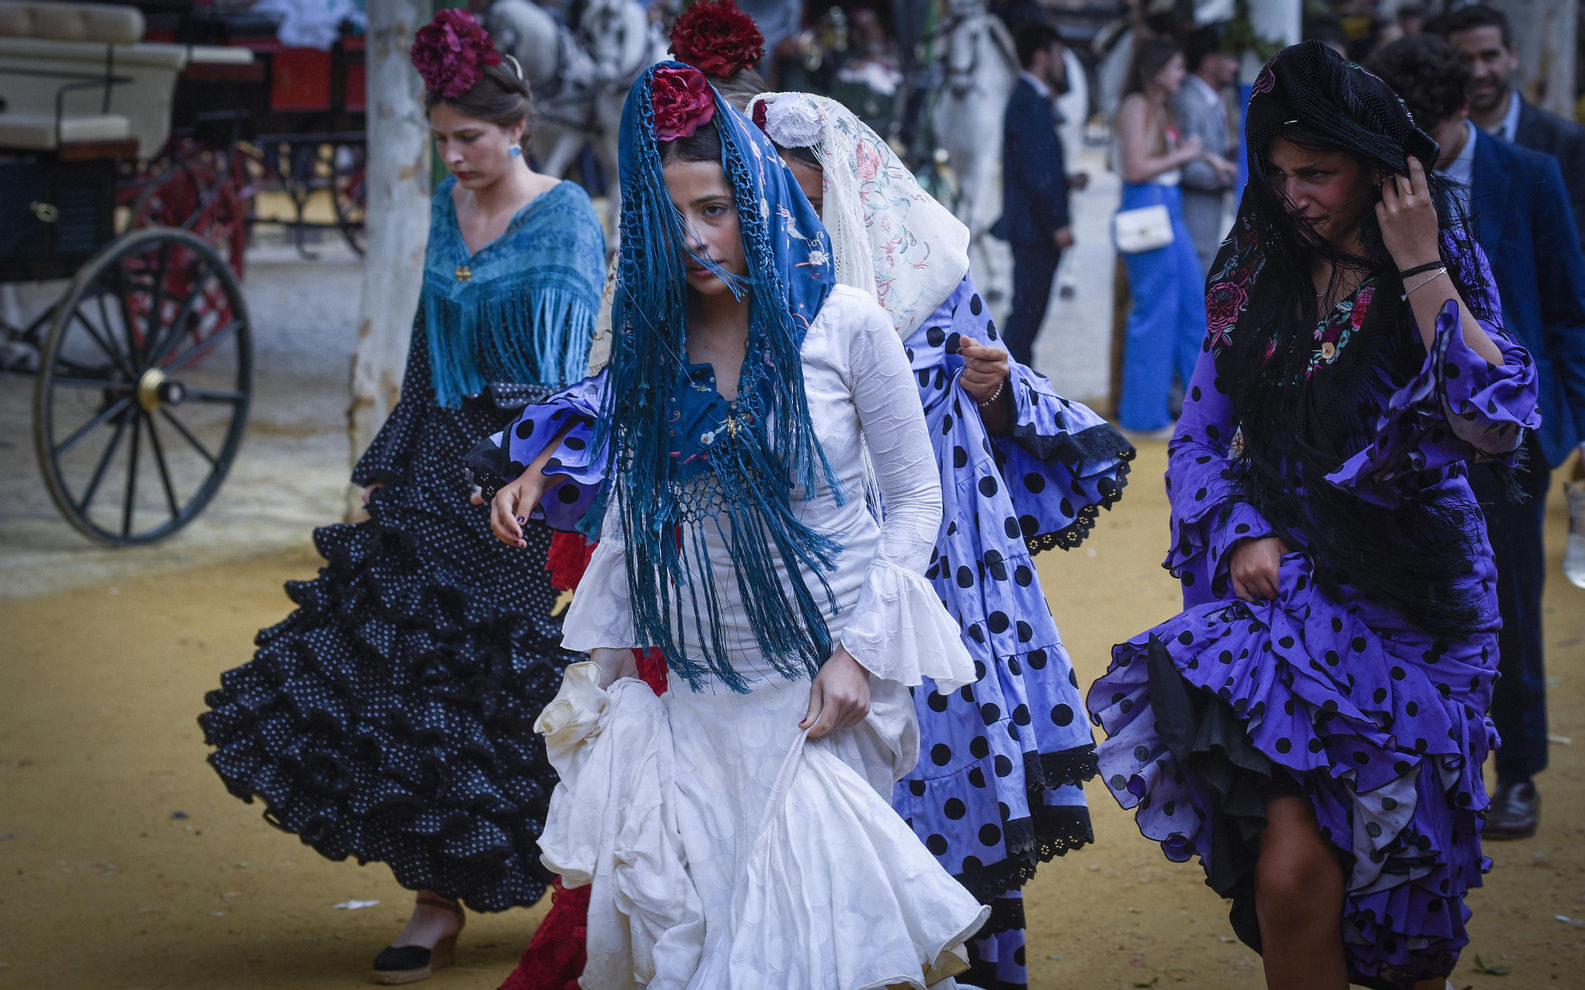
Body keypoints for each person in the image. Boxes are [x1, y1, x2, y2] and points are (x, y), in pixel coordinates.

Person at [479, 87, 1135, 990]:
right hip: (691, 695)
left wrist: (858, 654)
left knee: (811, 947)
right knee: (701, 939)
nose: (694, 236)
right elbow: (638, 505)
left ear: (760, 204)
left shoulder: (848, 324)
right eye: (671, 214)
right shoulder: (650, 338)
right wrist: (615, 677)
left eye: (714, 209)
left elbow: (912, 501)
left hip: (821, 690)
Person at [1089, 41, 1539, 990]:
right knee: (1293, 877)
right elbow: (1200, 441)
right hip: (1290, 605)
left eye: (1319, 174)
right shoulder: (1256, 277)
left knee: (1400, 893)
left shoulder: (1440, 270)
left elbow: (1493, 426)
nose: (1293, 194)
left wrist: (1420, 266)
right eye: (1279, 172)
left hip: (1423, 617)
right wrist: (1244, 526)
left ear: (1384, 174)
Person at [196, 10, 607, 985]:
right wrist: (387, 460)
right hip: (435, 460)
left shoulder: (565, 215)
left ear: (517, 127)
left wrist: (533, 474)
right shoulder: (441, 206)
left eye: (469, 138)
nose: (454, 157)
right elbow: (427, 347)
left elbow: (573, 376)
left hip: (522, 478)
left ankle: (571, 877)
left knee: (501, 693)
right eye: (441, 141)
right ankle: (433, 903)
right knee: (389, 679)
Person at [750, 90, 1133, 989]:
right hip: (789, 586)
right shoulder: (734, 288)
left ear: (845, 188)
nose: (788, 220)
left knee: (946, 776)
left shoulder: (925, 273)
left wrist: (997, 392)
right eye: (764, 196)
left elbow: (1005, 390)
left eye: (804, 197)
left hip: (939, 578)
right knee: (811, 804)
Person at [1368, 35, 1585, 841]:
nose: (1413, 154)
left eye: (1426, 133)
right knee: (1398, 602)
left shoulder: (1530, 175)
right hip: (1399, 433)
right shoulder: (1374, 177)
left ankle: (1521, 774)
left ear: (1461, 112)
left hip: (1514, 433)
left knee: (1509, 605)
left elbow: (1571, 306)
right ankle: (1414, 772)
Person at [1437, 4, 1585, 283]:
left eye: (1489, 56)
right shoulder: (1439, 140)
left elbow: (1583, 251)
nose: (1478, 72)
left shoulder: (1562, 140)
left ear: (1512, 56)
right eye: (1465, 60)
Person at [1111, 37, 1212, 435]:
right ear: (1156, 71)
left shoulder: (1160, 106)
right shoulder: (1136, 104)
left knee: (1192, 306)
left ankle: (1202, 410)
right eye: (1176, 67)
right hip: (1145, 206)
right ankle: (1143, 416)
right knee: (1155, 312)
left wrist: (1205, 158)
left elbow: (1161, 161)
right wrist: (1186, 155)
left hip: (1166, 206)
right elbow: (1136, 167)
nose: (1181, 74)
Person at [993, 22, 1073, 367]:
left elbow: (1037, 167)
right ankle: (1008, 383)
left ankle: (1013, 381)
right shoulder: (1029, 102)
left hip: (1032, 226)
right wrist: (1058, 222)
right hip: (1035, 230)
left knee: (1028, 311)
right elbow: (1037, 173)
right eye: (1058, 54)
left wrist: (1066, 180)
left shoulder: (1029, 99)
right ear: (1041, 57)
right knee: (1026, 314)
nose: (1063, 63)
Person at [1171, 26, 1240, 272]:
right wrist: (1237, 176)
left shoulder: (1214, 98)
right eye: (1231, 59)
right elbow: (1188, 166)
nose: (1235, 67)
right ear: (1209, 62)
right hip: (1194, 214)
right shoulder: (1189, 100)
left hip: (1207, 216)